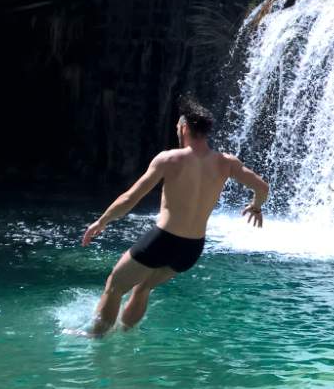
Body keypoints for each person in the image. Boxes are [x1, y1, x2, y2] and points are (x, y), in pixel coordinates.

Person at [74, 98, 269, 337]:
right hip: (192, 248)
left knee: (114, 286)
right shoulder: (227, 163)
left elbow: (130, 198)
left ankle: (95, 337)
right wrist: (255, 207)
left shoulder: (169, 159)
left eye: (178, 126)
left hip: (163, 240)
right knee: (144, 287)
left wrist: (101, 221)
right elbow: (262, 187)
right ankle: (124, 333)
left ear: (184, 127)